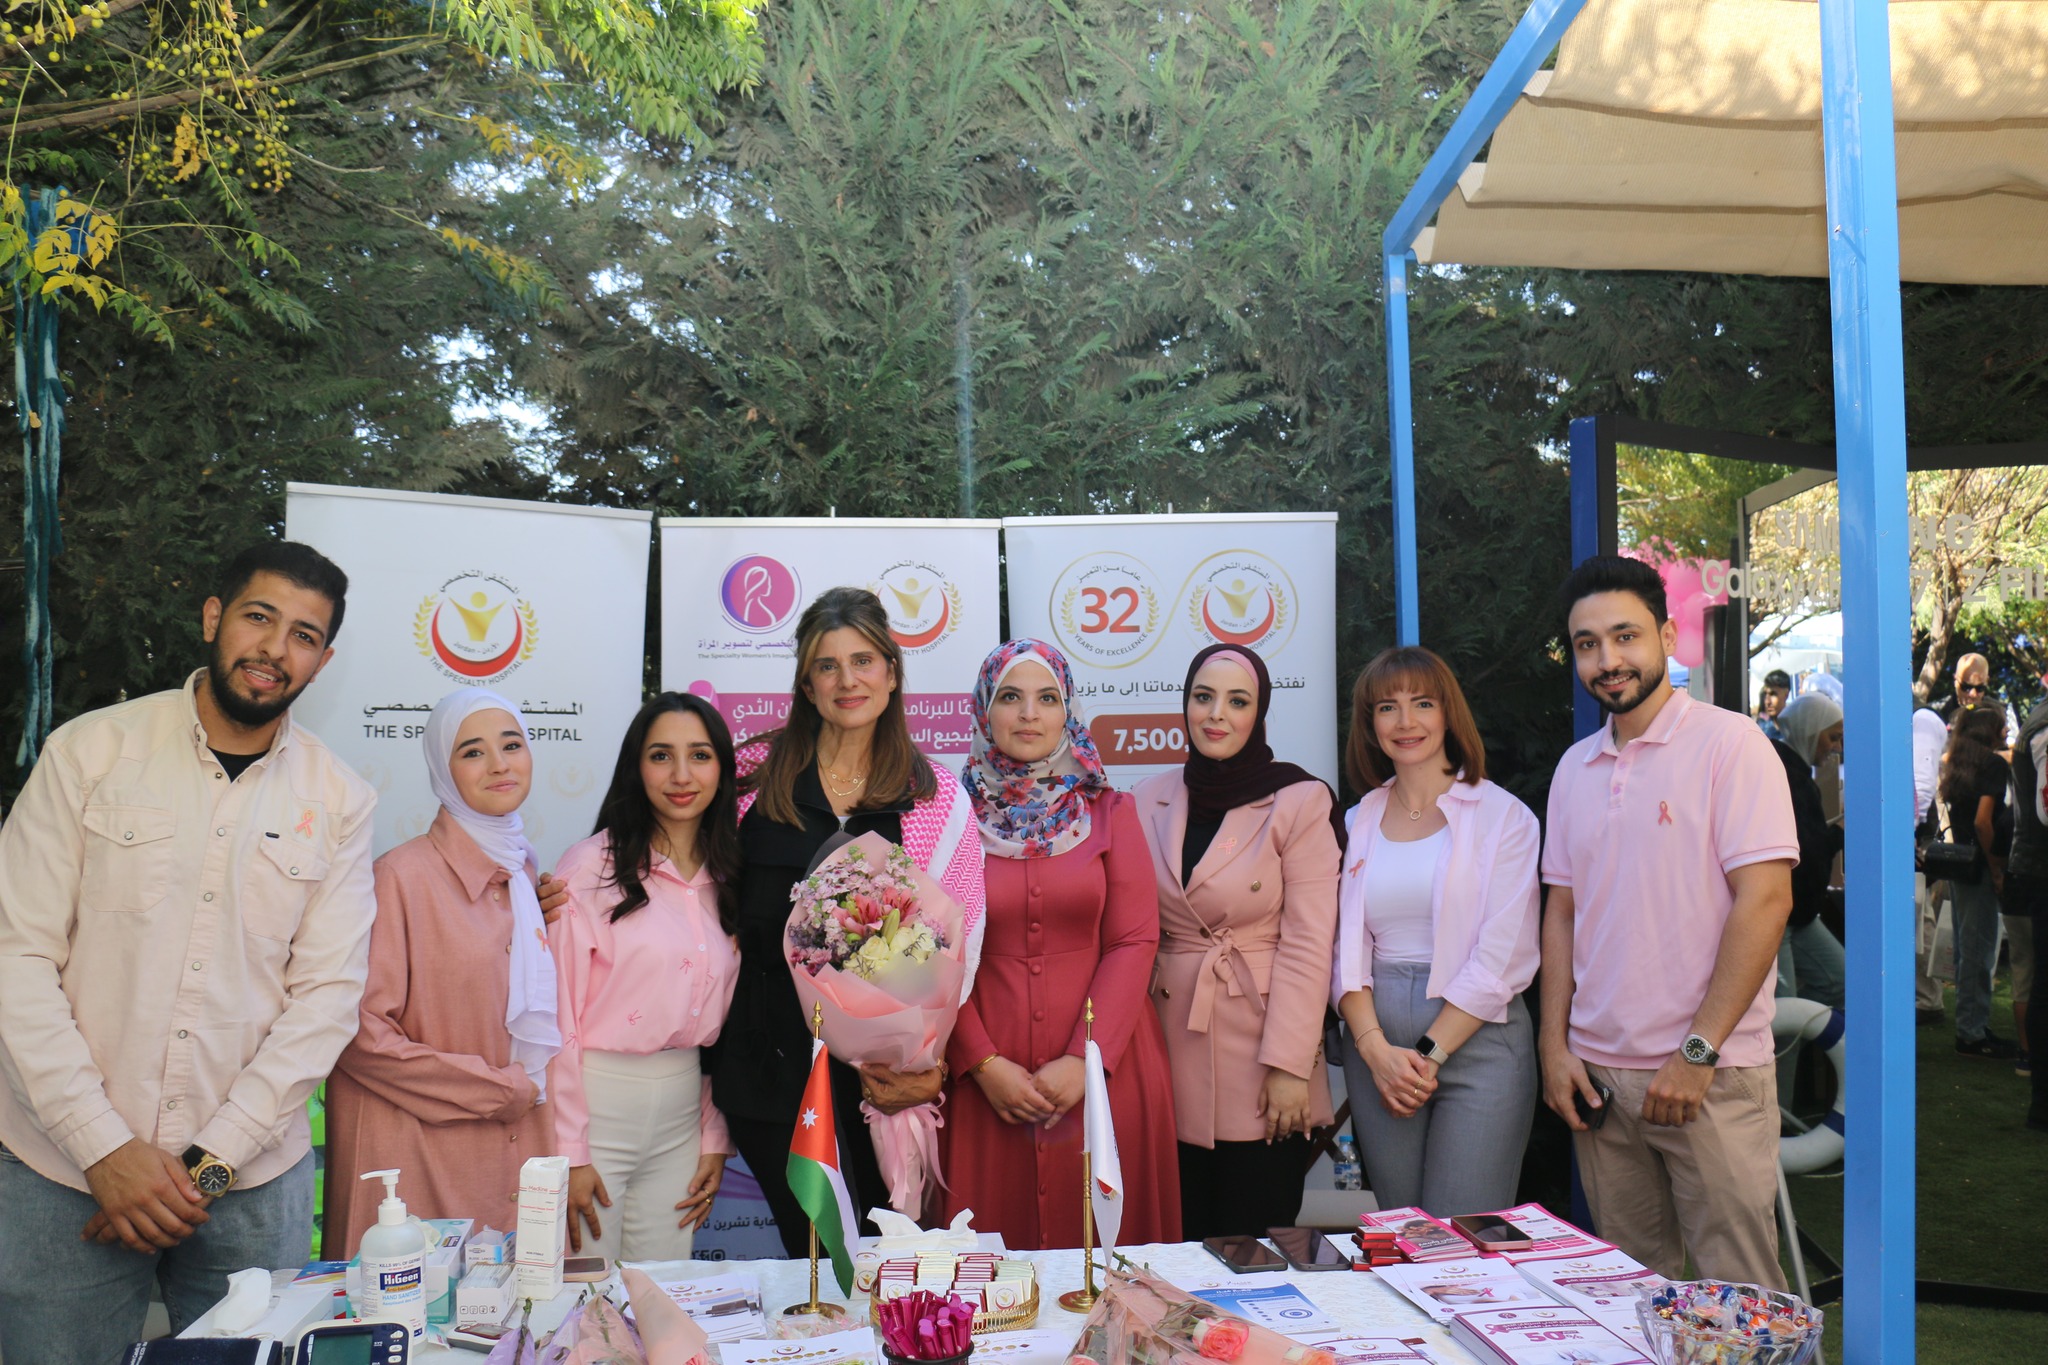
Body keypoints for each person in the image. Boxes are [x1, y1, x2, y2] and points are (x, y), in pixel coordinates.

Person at [0, 542, 375, 1357]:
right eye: (259, 616)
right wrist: (104, 1149)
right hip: (63, 1175)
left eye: (304, 635)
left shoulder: (340, 798)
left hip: (248, 1191)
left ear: (324, 660)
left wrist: (207, 1165)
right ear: (213, 616)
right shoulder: (89, 753)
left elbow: (327, 999)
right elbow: (15, 957)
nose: (274, 648)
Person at [1538, 555, 1795, 1287]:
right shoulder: (1574, 768)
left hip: (1710, 1075)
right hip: (1599, 1080)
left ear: (1666, 635)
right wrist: (1554, 1045)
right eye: (1588, 644)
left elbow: (1766, 901)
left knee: (1738, 1299)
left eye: (1625, 636)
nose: (1607, 659)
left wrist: (1697, 1051)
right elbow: (1562, 913)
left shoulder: (1731, 744)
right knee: (1632, 1297)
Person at [712, 587, 984, 1250]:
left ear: (891, 672)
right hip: (772, 1076)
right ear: (807, 684)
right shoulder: (752, 776)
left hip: (881, 1080)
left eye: (863, 661)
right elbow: (690, 886)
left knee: (883, 1255)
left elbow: (963, 941)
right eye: (827, 665)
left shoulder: (934, 796)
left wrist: (923, 1061)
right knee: (815, 1257)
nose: (847, 680)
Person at [939, 639, 1180, 1247]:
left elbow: (1133, 939)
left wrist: (1084, 1060)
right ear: (984, 710)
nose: (1029, 714)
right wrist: (981, 1063)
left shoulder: (1110, 811)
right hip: (984, 1083)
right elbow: (930, 950)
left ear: (1067, 712)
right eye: (1010, 697)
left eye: (1047, 698)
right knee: (986, 1267)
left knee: (1109, 1263)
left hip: (1106, 1073)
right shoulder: (947, 819)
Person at [323, 689, 559, 1251]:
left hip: (513, 1149)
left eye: (512, 745)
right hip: (413, 1160)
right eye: (472, 752)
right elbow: (359, 1034)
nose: (499, 764)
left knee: (516, 1301)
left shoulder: (521, 874)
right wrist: (499, 1089)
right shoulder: (399, 878)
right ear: (442, 770)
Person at [1137, 643, 1341, 1240]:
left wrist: (1290, 1068)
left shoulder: (1300, 799)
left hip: (1264, 1053)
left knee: (1256, 1246)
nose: (1216, 714)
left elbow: (1309, 943)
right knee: (1173, 1247)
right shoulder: (1146, 797)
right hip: (1167, 1050)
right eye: (1203, 697)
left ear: (1260, 712)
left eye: (1237, 701)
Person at [1330, 646, 1540, 1216]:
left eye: (1422, 703)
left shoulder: (1505, 817)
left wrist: (1427, 1054)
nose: (1405, 721)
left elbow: (1502, 958)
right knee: (1403, 1231)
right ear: (1370, 723)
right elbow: (1345, 948)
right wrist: (1375, 1052)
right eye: (1387, 707)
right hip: (1378, 1049)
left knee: (1462, 1237)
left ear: (1448, 713)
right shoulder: (1357, 819)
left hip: (1478, 1044)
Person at [550, 693, 740, 1262]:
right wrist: (569, 1150)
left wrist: (713, 1133)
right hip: (596, 1108)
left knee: (662, 1291)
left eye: (700, 755)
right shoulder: (589, 868)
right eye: (661, 756)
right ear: (636, 767)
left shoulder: (732, 876)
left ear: (722, 769)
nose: (681, 775)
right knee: (584, 1296)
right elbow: (557, 1017)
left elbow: (724, 1032)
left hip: (682, 1117)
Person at [1939, 705, 2020, 1061]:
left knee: (1967, 949)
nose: (2007, 732)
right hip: (1981, 867)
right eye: (2002, 727)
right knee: (1979, 950)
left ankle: (1970, 1026)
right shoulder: (1993, 765)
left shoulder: (1959, 764)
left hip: (1960, 865)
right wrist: (1998, 869)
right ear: (1992, 730)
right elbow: (1983, 822)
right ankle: (1971, 1033)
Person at [1771, 693, 1846, 1011]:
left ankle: (1804, 1031)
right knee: (1783, 1013)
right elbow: (1805, 849)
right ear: (1811, 732)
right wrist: (1838, 833)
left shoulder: (1794, 772)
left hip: (1798, 912)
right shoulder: (1786, 774)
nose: (1835, 747)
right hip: (1780, 912)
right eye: (1832, 737)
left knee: (1840, 982)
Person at [2006, 691, 2048, 1121]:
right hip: (2041, 872)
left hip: (2037, 868)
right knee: (2043, 986)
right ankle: (2042, 1101)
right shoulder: (2044, 729)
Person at [1913, 703, 1954, 1027]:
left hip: (1914, 840)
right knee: (1920, 917)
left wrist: (1907, 831)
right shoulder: (1923, 720)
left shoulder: (1922, 721)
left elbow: (1923, 786)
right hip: (1916, 837)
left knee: (1919, 919)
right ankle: (1928, 997)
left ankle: (1928, 999)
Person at [1935, 652, 1994, 723]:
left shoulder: (2000, 714)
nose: (1973, 694)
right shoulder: (1936, 713)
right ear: (1955, 680)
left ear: (1987, 682)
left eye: (1980, 688)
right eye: (1966, 687)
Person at [1755, 669, 1792, 742]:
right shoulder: (1761, 729)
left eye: (1773, 694)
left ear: (1786, 694)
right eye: (1765, 694)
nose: (1767, 701)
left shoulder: (1796, 728)